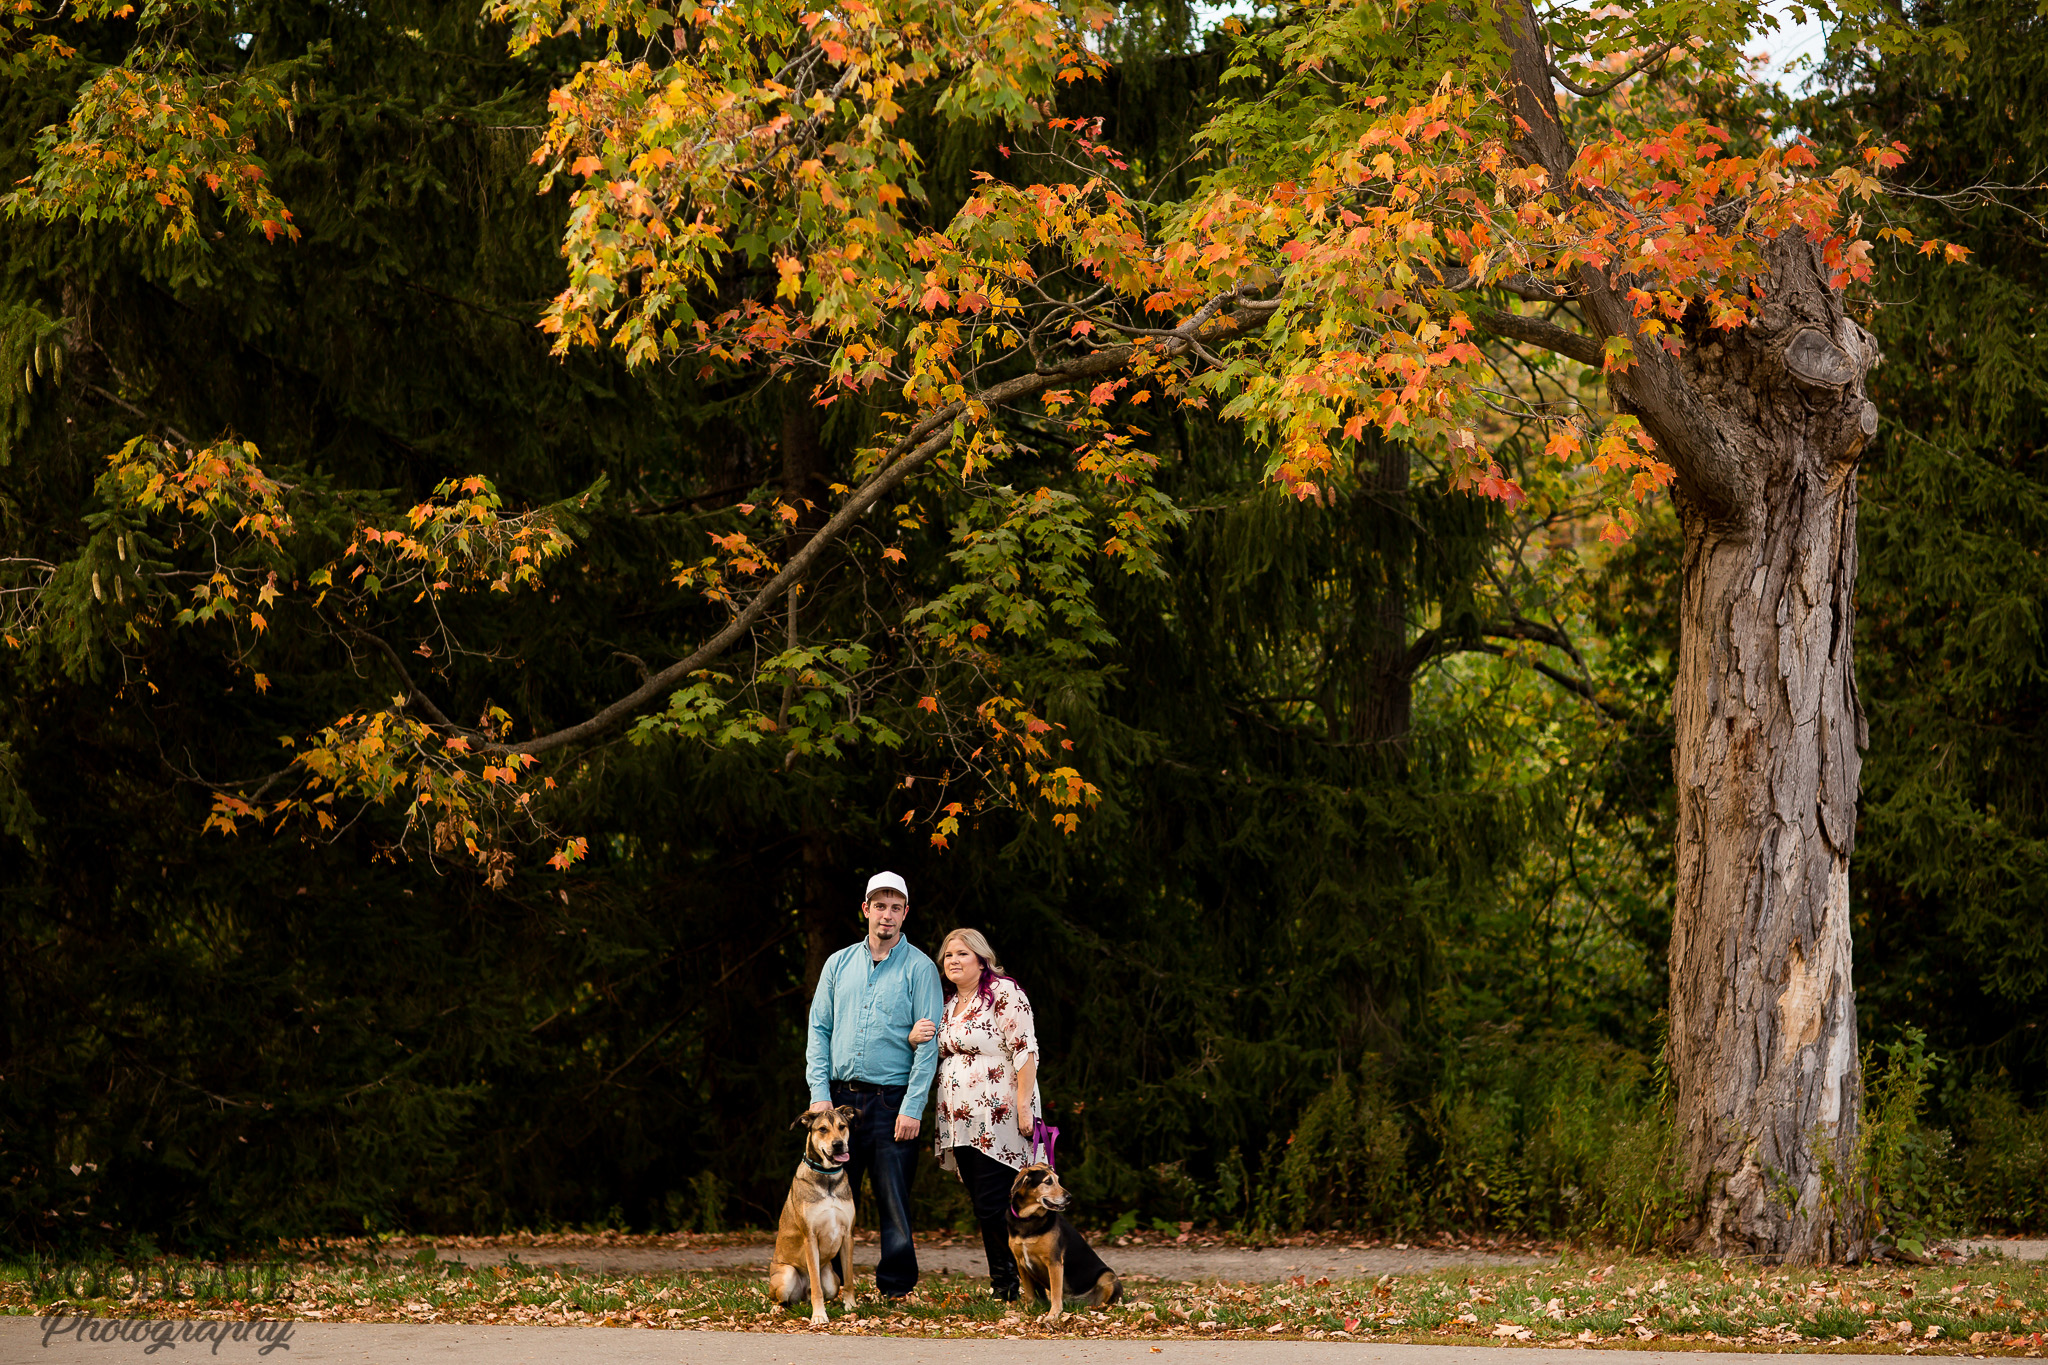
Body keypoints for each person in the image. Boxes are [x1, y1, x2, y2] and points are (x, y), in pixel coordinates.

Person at [804, 871, 945, 1299]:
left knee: (893, 1199)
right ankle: (827, 1284)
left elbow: (930, 1041)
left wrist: (913, 1106)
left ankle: (896, 1287)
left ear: (905, 914)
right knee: (829, 1195)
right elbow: (818, 1030)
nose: (887, 915)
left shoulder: (919, 968)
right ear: (865, 909)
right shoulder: (837, 964)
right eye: (879, 906)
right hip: (839, 1101)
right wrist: (819, 1093)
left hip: (890, 1103)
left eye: (895, 907)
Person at [910, 927, 1040, 1303]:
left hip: (999, 1115)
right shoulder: (947, 1004)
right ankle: (1007, 1284)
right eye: (948, 954)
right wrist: (914, 1037)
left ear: (982, 959)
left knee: (1000, 1200)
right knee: (985, 1203)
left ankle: (1012, 1287)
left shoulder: (1004, 994)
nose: (953, 960)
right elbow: (934, 1049)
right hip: (959, 1121)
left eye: (963, 953)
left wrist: (1023, 1104)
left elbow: (1025, 1050)